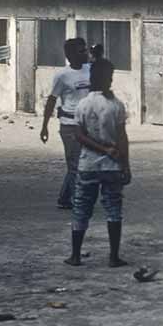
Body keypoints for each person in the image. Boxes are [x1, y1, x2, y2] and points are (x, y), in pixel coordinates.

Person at [65, 59, 130, 267]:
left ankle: (75, 255)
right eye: (109, 77)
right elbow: (122, 138)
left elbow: (79, 136)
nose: (111, 81)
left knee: (81, 208)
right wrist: (124, 164)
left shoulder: (83, 105)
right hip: (112, 166)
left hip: (88, 165)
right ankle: (113, 256)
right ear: (105, 79)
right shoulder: (116, 105)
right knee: (113, 209)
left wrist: (100, 149)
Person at [40, 38, 90, 210]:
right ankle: (78, 200)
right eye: (81, 51)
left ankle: (64, 198)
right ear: (70, 55)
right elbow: (52, 101)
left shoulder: (90, 69)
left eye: (85, 50)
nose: (85, 54)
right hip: (70, 126)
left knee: (84, 163)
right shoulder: (62, 76)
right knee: (75, 165)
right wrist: (44, 126)